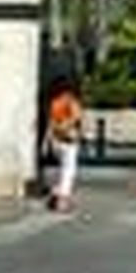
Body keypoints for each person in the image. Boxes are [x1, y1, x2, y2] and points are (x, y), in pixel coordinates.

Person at [45, 79, 85, 213]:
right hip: (69, 139)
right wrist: (67, 126)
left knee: (62, 169)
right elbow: (77, 116)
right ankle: (61, 201)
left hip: (57, 140)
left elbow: (51, 123)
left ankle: (56, 193)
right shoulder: (69, 100)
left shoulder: (54, 103)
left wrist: (49, 140)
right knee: (69, 170)